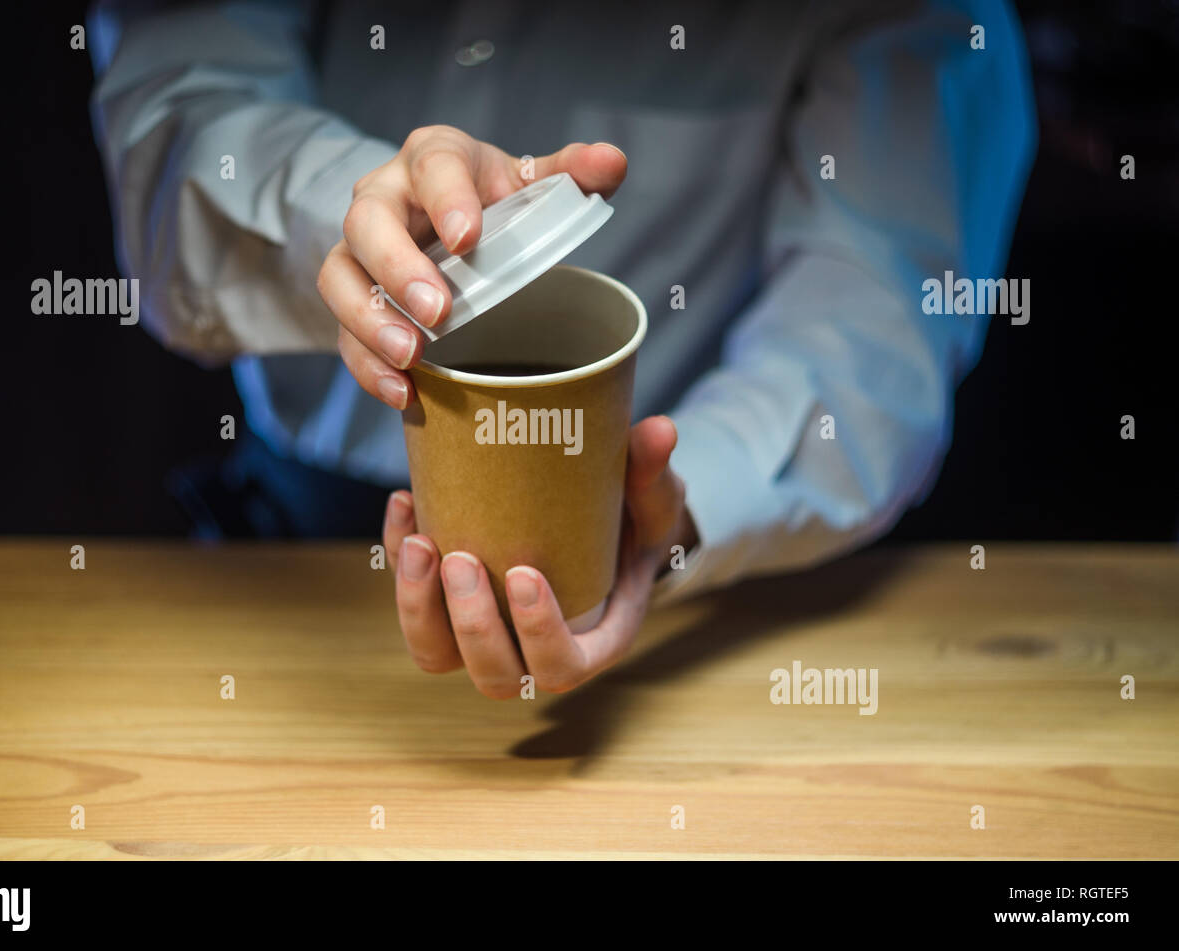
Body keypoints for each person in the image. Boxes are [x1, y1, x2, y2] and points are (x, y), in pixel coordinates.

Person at [88, 0, 1036, 696]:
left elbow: (872, 321)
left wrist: (662, 520)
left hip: (680, 583)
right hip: (288, 573)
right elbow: (175, 119)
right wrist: (340, 205)